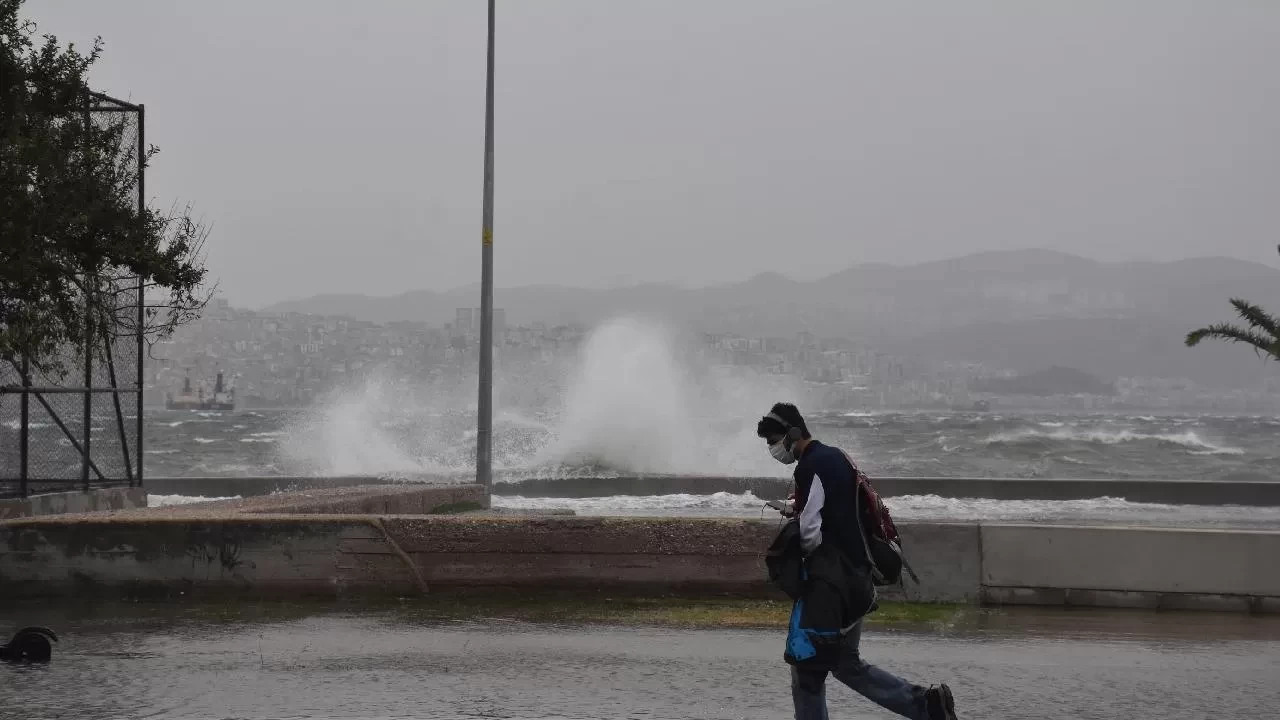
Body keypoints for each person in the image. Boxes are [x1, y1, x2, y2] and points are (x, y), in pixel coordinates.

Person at [757, 402, 958, 720]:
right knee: (845, 663)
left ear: (793, 433)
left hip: (831, 586)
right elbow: (838, 507)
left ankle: (925, 705)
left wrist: (804, 549)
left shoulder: (810, 465)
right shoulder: (835, 456)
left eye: (774, 440)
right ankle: (926, 705)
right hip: (856, 578)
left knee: (807, 669)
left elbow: (812, 528)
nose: (773, 448)